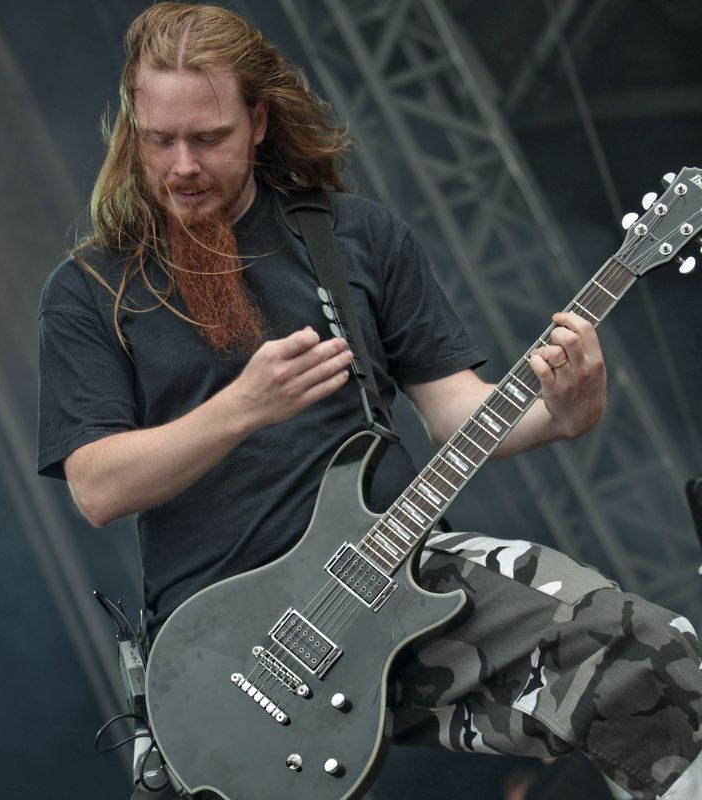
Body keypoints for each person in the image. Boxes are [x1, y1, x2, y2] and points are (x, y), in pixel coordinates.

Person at [36, 4, 702, 798]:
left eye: (208, 138)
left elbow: (458, 408)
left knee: (645, 654)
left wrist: (562, 414)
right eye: (158, 139)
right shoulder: (90, 291)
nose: (182, 164)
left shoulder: (351, 236)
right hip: (226, 650)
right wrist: (243, 406)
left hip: (400, 583)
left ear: (257, 122)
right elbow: (98, 486)